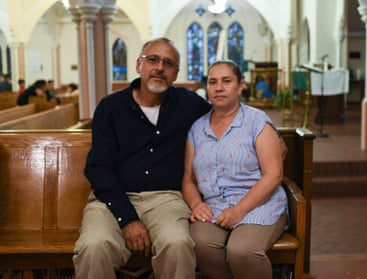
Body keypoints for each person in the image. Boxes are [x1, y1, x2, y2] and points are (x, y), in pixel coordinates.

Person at [72, 37, 212, 279]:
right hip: (113, 199)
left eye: (168, 63)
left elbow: (226, 115)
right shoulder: (111, 107)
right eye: (152, 60)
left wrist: (264, 134)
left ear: (175, 73)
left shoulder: (189, 105)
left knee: (177, 244)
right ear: (139, 65)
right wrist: (128, 220)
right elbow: (99, 170)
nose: (159, 67)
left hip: (166, 199)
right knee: (93, 247)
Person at [182, 59, 288, 279]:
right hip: (216, 207)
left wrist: (239, 210)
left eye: (227, 81)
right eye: (213, 82)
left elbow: (273, 174)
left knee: (242, 250)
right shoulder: (197, 128)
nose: (219, 87)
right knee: (197, 243)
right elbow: (188, 179)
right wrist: (196, 203)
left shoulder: (257, 122)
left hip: (259, 204)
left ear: (241, 86)